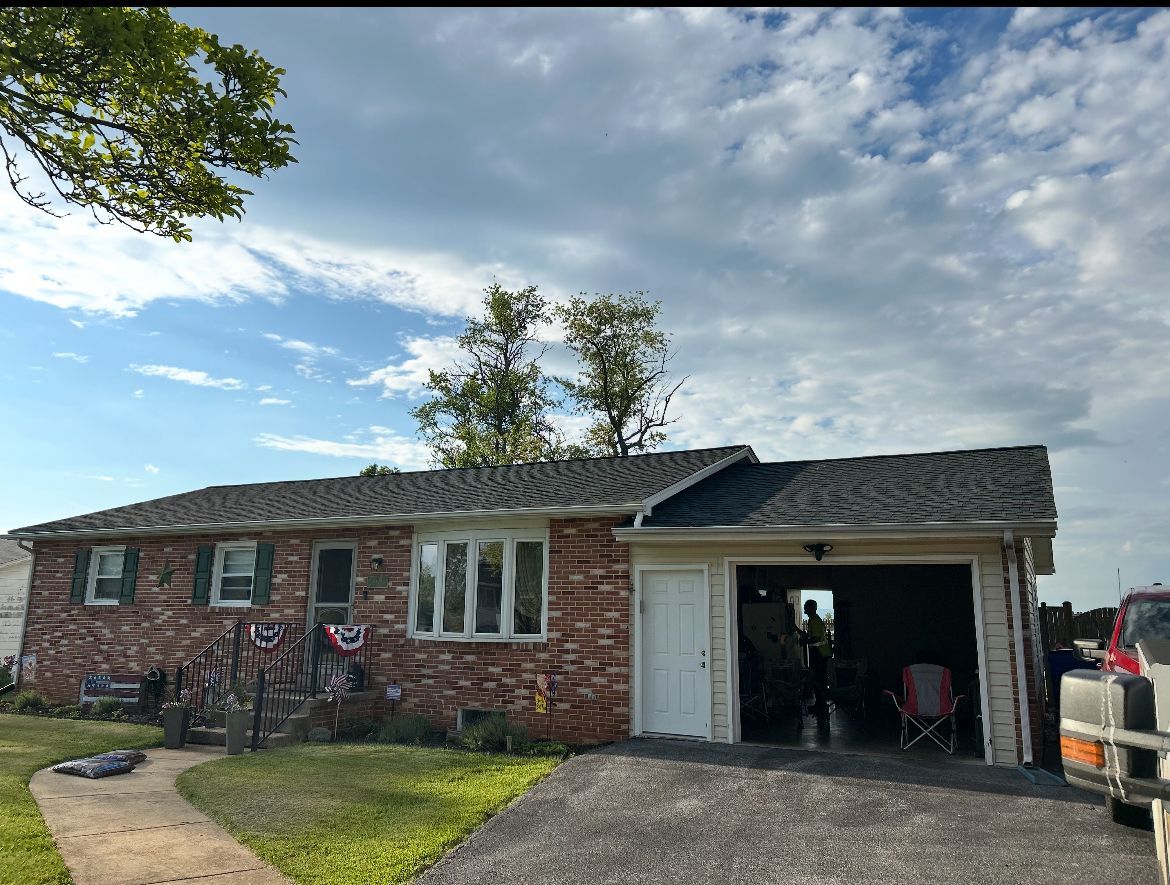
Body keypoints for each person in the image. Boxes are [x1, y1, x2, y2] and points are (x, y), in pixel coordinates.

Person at [800, 599, 832, 715]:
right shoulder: (812, 620)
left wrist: (805, 642)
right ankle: (819, 705)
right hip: (818, 653)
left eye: (806, 607)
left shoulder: (815, 621)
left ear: (812, 608)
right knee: (817, 680)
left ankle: (821, 706)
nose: (805, 609)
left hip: (820, 654)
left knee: (818, 681)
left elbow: (816, 639)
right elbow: (810, 636)